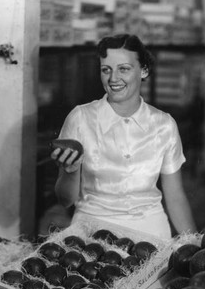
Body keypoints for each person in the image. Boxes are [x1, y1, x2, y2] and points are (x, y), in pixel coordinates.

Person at [50, 33, 196, 241]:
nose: (113, 78)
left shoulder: (163, 124)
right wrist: (70, 172)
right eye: (106, 70)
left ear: (143, 70)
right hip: (90, 234)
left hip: (150, 235)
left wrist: (194, 243)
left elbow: (175, 197)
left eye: (124, 69)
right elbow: (65, 200)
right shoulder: (80, 118)